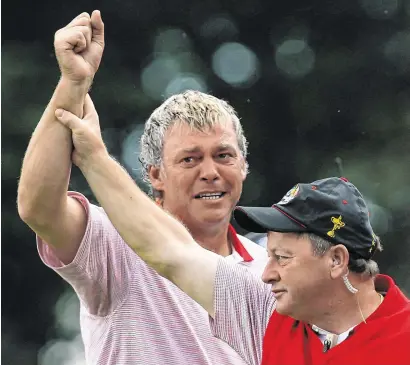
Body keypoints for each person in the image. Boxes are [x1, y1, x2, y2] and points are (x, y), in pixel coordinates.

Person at [51, 97, 410, 365]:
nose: (265, 273)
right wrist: (93, 156)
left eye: (282, 258)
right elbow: (169, 250)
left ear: (336, 260)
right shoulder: (268, 314)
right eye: (269, 255)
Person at [17, 10, 267, 365]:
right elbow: (38, 208)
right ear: (155, 176)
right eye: (190, 160)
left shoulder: (273, 270)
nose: (211, 172)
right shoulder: (115, 243)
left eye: (223, 155)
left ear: (243, 166)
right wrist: (72, 84)